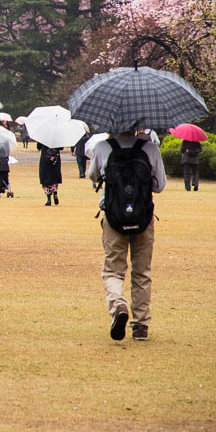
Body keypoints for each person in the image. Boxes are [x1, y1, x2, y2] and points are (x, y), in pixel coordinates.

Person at [88, 131, 166, 342]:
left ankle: (118, 305)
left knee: (113, 269)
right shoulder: (150, 148)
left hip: (113, 216)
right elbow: (159, 185)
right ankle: (140, 325)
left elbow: (93, 176)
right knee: (142, 271)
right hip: (142, 217)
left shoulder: (103, 147)